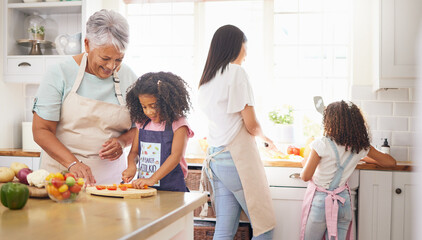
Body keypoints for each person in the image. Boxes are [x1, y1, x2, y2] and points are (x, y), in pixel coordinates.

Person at [32, 9, 137, 185]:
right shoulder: (59, 73)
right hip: (62, 182)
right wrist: (72, 163)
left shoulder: (129, 78)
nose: (111, 66)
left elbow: (142, 127)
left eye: (119, 59)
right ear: (87, 45)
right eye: (105, 58)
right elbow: (41, 131)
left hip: (111, 186)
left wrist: (122, 141)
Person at [198, 24, 277, 239]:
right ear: (236, 45)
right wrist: (266, 138)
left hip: (216, 160)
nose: (246, 52)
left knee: (225, 227)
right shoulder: (236, 73)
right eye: (245, 46)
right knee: (264, 226)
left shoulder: (207, 79)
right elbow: (251, 124)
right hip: (236, 161)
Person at [300, 100, 397, 240]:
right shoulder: (361, 147)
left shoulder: (321, 144)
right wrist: (359, 157)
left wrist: (305, 163)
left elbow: (305, 176)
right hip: (343, 203)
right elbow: (391, 162)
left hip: (321, 203)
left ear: (330, 122)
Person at [122, 72, 194, 192]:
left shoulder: (179, 124)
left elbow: (175, 156)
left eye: (153, 106)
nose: (149, 112)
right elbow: (134, 152)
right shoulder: (142, 124)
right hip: (146, 189)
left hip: (172, 190)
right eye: (144, 107)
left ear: (166, 102)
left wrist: (152, 179)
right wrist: (131, 166)